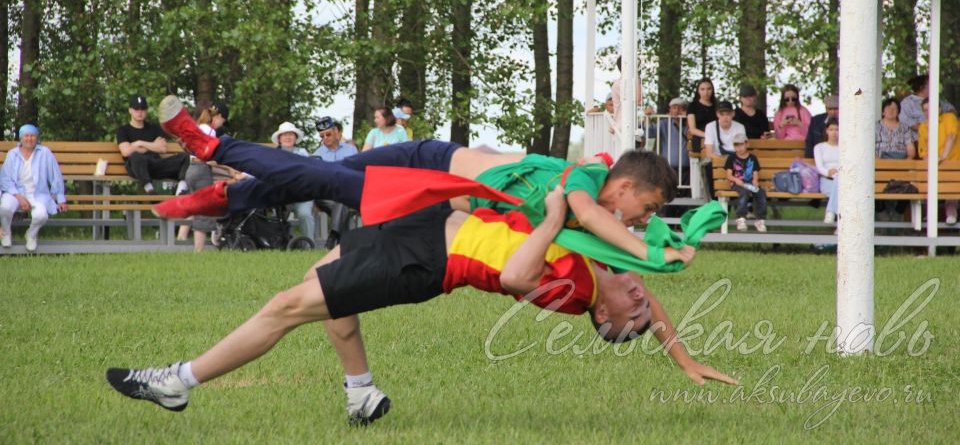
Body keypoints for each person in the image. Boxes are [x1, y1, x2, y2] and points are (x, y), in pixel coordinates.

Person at [106, 187, 736, 425]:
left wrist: (547, 221)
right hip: (425, 228)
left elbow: (518, 277)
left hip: (422, 266)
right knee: (315, 282)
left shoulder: (576, 293)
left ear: (606, 321)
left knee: (285, 305)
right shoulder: (612, 284)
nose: (643, 296)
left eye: (638, 311)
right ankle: (362, 393)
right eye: (643, 299)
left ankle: (179, 381)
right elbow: (651, 298)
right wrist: (682, 358)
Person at [153, 95, 695, 267]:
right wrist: (654, 252)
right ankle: (214, 148)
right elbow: (604, 221)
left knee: (319, 178)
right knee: (319, 175)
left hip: (432, 185)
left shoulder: (584, 203)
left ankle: (226, 197)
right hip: (426, 168)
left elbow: (604, 241)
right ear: (623, 187)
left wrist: (667, 242)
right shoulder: (590, 181)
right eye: (644, 209)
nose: (642, 220)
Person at [0, 124, 68, 252]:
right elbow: (5, 180)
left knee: (42, 215)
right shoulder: (12, 154)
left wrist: (61, 199)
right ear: (21, 138)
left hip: (37, 193)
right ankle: (7, 233)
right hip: (15, 192)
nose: (29, 139)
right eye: (26, 136)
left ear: (37, 138)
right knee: (5, 208)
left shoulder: (45, 153)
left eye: (32, 136)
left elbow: (56, 176)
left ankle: (31, 235)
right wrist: (19, 197)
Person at [177, 102, 228, 252]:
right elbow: (209, 154)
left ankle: (180, 239)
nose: (221, 126)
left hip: (190, 169)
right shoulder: (210, 132)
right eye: (222, 121)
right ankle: (198, 250)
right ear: (218, 117)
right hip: (201, 170)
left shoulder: (198, 127)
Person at [116, 94, 190, 195]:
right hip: (138, 169)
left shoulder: (154, 128)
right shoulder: (123, 130)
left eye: (142, 109)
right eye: (136, 108)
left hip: (156, 165)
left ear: (146, 111)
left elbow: (162, 148)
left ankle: (181, 189)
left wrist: (139, 143)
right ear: (130, 110)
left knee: (185, 157)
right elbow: (126, 152)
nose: (140, 112)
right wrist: (152, 146)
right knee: (135, 156)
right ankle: (149, 189)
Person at [313, 116, 358, 249]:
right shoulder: (317, 154)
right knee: (342, 203)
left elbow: (355, 172)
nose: (325, 138)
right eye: (322, 135)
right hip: (326, 195)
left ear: (337, 132)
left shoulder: (351, 150)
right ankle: (340, 239)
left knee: (342, 200)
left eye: (328, 134)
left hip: (345, 191)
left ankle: (334, 236)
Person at [917, 98, 959, 224]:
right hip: (935, 166)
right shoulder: (923, 127)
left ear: (939, 109)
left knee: (950, 185)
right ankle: (929, 215)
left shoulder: (949, 118)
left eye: (931, 109)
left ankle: (951, 213)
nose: (928, 112)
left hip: (953, 165)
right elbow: (923, 152)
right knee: (927, 180)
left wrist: (942, 158)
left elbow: (951, 137)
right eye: (925, 110)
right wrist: (933, 162)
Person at [273, 121, 317, 241]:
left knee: (305, 214)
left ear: (295, 137)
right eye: (284, 134)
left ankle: (309, 245)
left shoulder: (302, 153)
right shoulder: (273, 155)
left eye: (291, 134)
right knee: (276, 216)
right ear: (279, 139)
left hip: (302, 194)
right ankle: (278, 244)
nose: (288, 137)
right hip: (282, 195)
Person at [724, 132, 767, 232]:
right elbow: (729, 175)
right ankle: (741, 218)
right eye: (736, 145)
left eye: (741, 144)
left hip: (750, 183)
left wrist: (755, 180)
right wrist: (736, 180)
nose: (739, 148)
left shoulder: (752, 158)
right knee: (744, 193)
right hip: (737, 183)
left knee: (761, 194)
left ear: (747, 144)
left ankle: (760, 219)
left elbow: (755, 172)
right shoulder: (731, 158)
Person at [647, 97, 689, 172]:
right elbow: (650, 134)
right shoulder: (664, 123)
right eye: (674, 108)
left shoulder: (690, 124)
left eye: (680, 108)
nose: (677, 111)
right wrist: (648, 118)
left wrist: (688, 118)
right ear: (670, 110)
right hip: (668, 168)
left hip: (688, 169)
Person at [813, 118, 840, 224]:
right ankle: (840, 225)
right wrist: (828, 172)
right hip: (826, 180)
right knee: (841, 192)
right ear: (827, 131)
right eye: (831, 129)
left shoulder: (845, 147)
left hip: (842, 180)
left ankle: (830, 212)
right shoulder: (819, 147)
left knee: (839, 181)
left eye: (837, 129)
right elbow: (819, 167)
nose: (834, 132)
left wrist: (838, 173)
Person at [686, 78, 717, 154]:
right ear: (698, 91)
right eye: (702, 89)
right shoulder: (693, 106)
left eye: (709, 89)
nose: (706, 92)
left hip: (716, 139)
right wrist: (708, 135)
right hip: (700, 139)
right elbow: (692, 129)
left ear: (712, 90)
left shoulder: (717, 106)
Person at [804, 94, 839, 158]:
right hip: (817, 158)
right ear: (826, 108)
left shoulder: (846, 123)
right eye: (830, 109)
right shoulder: (815, 121)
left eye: (836, 109)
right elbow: (809, 143)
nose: (833, 112)